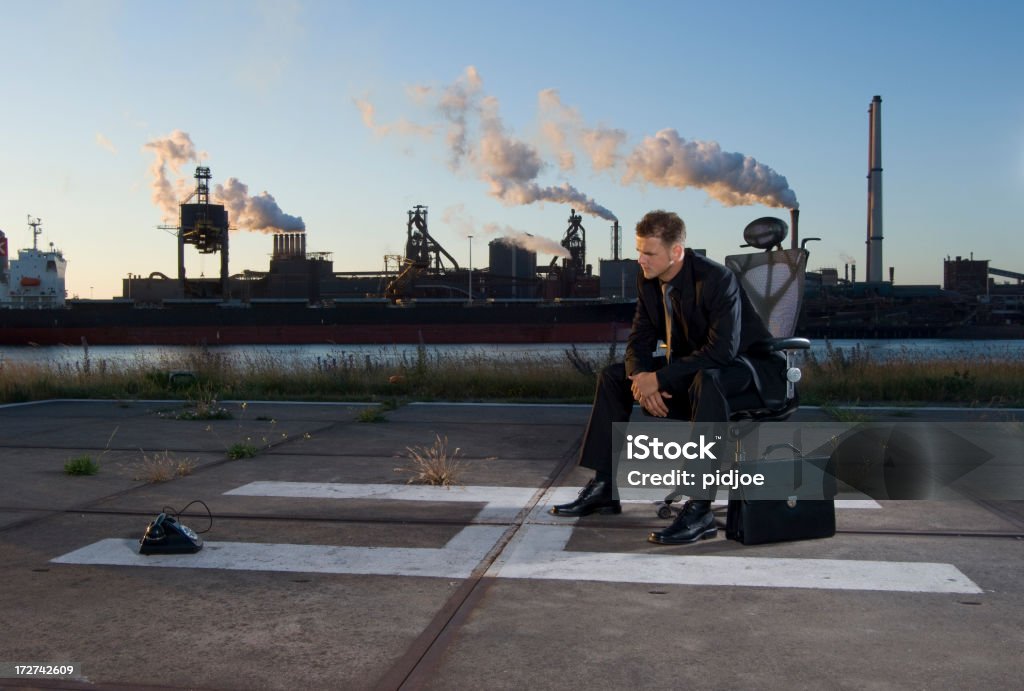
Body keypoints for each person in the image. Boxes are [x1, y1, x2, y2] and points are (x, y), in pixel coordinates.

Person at [550, 210, 786, 544]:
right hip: (696, 368)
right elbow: (639, 339)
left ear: (676, 252)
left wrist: (660, 380)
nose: (640, 260)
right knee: (613, 376)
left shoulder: (716, 279)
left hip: (752, 372)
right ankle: (604, 487)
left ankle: (700, 508)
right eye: (639, 251)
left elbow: (723, 352)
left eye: (649, 253)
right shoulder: (647, 280)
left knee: (709, 379)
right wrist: (642, 378)